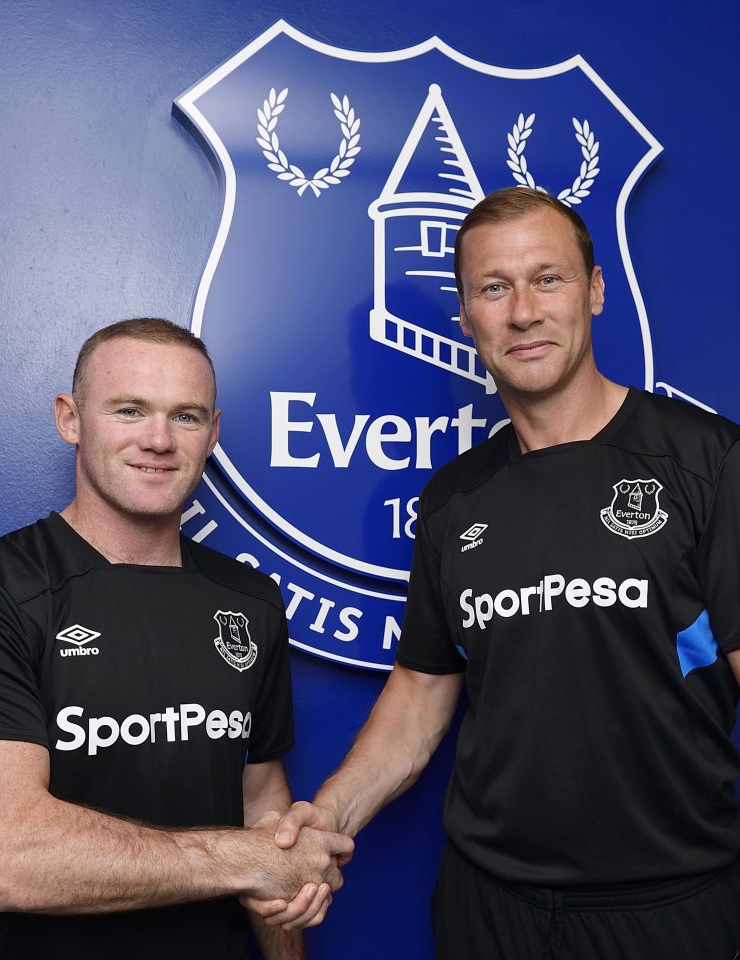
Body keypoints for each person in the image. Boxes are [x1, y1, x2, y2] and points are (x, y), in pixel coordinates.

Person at [253, 188, 740, 958]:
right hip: (489, 910)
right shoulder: (453, 497)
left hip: (669, 903)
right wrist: (330, 818)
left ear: (596, 290)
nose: (522, 312)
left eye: (547, 279)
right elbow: (420, 694)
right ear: (468, 315)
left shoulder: (709, 462)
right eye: (493, 287)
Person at [0, 318, 353, 960]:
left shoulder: (251, 602)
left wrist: (282, 904)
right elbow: (8, 855)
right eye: (130, 410)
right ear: (70, 419)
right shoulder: (6, 588)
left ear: (213, 433)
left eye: (185, 417)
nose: (158, 440)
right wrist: (242, 860)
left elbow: (261, 804)